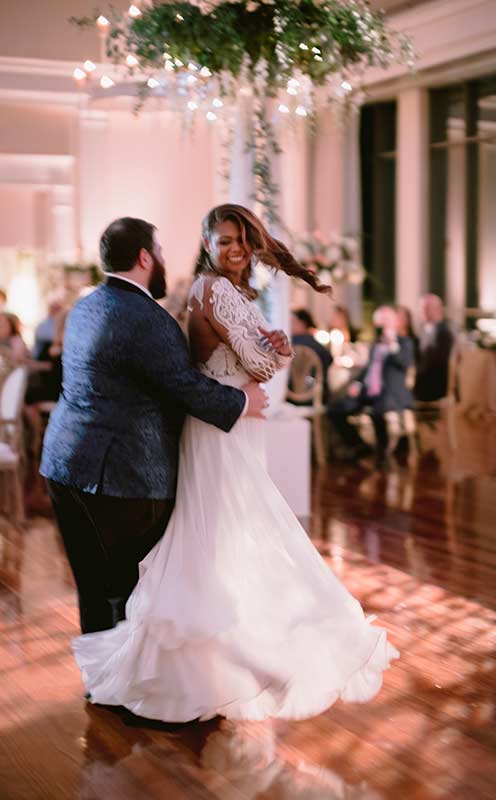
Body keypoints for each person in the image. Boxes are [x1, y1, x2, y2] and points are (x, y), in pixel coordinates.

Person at [72, 204, 398, 723]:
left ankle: (221, 656)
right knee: (229, 535)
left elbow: (260, 356)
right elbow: (262, 363)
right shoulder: (215, 290)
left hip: (230, 424)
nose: (236, 249)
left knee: (224, 538)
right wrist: (275, 353)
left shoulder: (222, 292)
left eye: (242, 240)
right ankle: (220, 659)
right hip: (223, 426)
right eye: (224, 241)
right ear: (207, 244)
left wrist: (273, 349)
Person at [41, 217, 269, 635]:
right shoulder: (148, 317)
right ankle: (130, 687)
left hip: (63, 464)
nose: (164, 260)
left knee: (92, 584)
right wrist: (242, 400)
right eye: (160, 253)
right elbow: (182, 386)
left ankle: (102, 681)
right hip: (121, 476)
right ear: (145, 257)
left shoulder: (84, 307)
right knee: (134, 586)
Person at [328, 306, 415, 468]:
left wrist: (393, 345)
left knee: (378, 411)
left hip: (390, 393)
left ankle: (382, 454)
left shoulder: (405, 343)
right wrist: (357, 384)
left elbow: (404, 363)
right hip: (368, 390)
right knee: (336, 410)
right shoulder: (375, 344)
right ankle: (360, 446)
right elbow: (367, 369)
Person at [414, 294, 454, 402]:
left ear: (437, 309)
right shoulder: (424, 329)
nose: (422, 311)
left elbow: (439, 361)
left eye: (426, 308)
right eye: (421, 308)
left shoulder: (444, 332)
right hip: (422, 378)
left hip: (434, 383)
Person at [290, 308, 333, 403]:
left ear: (302, 323)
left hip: (289, 396)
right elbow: (329, 360)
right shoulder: (316, 345)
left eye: (292, 321)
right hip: (314, 397)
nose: (289, 325)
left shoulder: (288, 345)